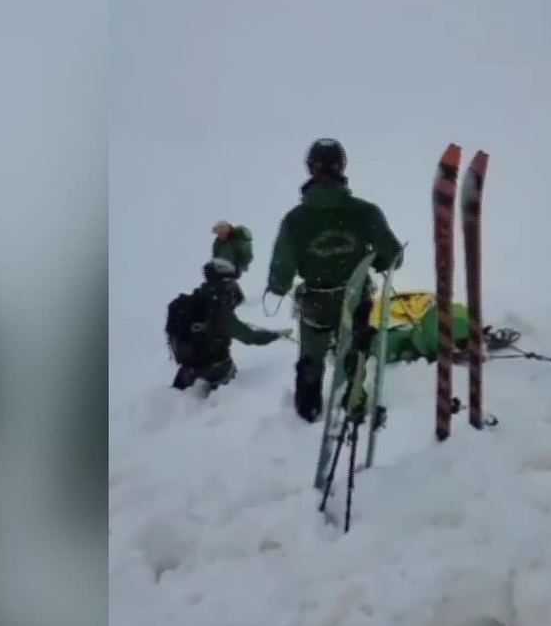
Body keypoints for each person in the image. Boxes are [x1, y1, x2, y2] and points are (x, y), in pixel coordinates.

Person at [265, 138, 404, 423]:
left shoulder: (295, 219)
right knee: (355, 349)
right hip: (354, 299)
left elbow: (282, 271)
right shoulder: (366, 212)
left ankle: (307, 408)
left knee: (311, 357)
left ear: (309, 169)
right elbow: (392, 257)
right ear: (342, 167)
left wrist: (278, 286)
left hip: (316, 302)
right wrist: (374, 260)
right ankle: (353, 399)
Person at [166, 257, 283, 392]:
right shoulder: (217, 306)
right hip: (215, 368)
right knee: (232, 395)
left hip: (187, 369)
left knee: (175, 398)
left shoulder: (198, 299)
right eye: (231, 280)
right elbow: (248, 337)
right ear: (224, 281)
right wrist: (272, 336)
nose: (234, 285)